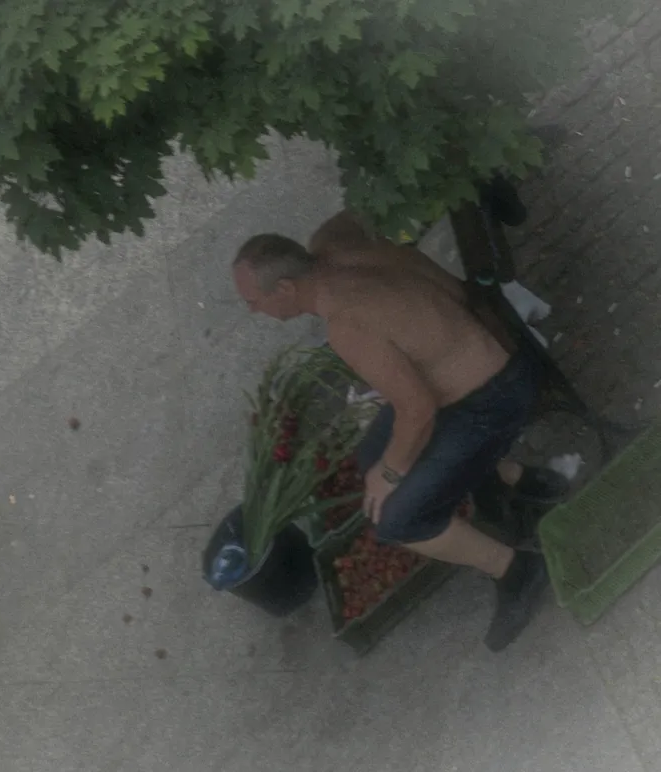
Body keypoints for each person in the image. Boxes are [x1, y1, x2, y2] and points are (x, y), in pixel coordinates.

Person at [231, 211, 566, 652]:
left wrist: (389, 474)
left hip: (492, 398)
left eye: (254, 301)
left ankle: (516, 570)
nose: (253, 310)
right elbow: (361, 211)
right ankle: (523, 482)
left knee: (395, 518)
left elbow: (417, 409)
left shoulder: (347, 325)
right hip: (486, 343)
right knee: (370, 455)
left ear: (286, 289)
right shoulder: (333, 238)